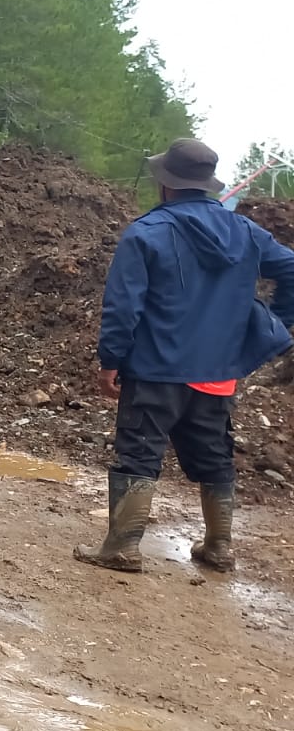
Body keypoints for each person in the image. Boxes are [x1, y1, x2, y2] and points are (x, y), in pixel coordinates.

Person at [78, 138, 294, 573]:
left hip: (156, 368)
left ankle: (122, 546)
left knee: (139, 452)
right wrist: (274, 323)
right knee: (214, 453)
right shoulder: (247, 233)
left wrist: (110, 361)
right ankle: (218, 547)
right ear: (208, 185)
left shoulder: (144, 233)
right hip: (218, 372)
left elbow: (123, 307)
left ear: (164, 183)